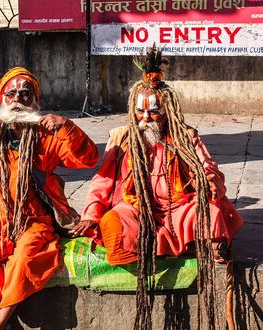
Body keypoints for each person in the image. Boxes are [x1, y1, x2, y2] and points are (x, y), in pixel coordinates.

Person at [73, 45, 243, 328]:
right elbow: (102, 181)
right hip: (138, 210)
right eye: (140, 112)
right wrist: (91, 213)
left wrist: (210, 182)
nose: (146, 118)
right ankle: (172, 248)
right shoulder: (121, 137)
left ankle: (198, 246)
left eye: (154, 112)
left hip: (180, 209)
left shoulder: (186, 136)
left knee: (212, 214)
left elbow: (209, 168)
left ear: (168, 110)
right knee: (113, 225)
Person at [0, 67, 99, 329]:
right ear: (2, 99)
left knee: (25, 260)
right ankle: (3, 324)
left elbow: (88, 158)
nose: (18, 99)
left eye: (25, 94)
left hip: (33, 221)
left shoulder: (47, 137)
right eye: (11, 93)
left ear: (35, 101)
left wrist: (67, 126)